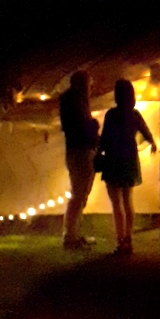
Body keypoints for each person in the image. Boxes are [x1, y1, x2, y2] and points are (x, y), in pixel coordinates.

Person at [96, 79, 157, 255]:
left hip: (113, 159)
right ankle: (128, 238)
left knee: (116, 203)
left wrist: (98, 152)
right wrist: (152, 144)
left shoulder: (111, 115)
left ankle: (120, 239)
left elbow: (105, 139)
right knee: (128, 200)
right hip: (129, 160)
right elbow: (147, 133)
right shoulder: (135, 115)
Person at [59, 70, 100, 250]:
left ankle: (73, 233)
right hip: (81, 152)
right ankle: (70, 236)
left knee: (79, 194)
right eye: (89, 85)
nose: (91, 89)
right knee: (79, 194)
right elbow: (82, 127)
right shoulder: (76, 101)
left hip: (76, 151)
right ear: (83, 84)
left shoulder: (71, 100)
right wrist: (94, 126)